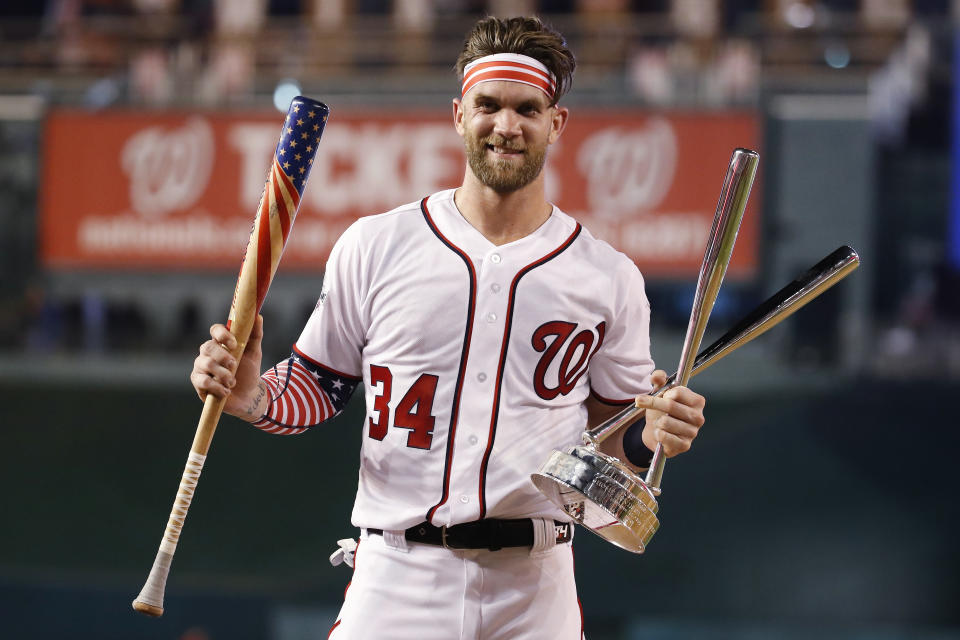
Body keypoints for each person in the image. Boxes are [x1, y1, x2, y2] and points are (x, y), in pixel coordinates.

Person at [191, 16, 706, 639]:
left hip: (535, 582)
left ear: (556, 123)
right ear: (459, 113)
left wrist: (653, 437)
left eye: (527, 108)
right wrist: (253, 396)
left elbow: (611, 452)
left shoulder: (608, 276)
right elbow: (319, 388)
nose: (506, 126)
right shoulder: (376, 244)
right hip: (397, 572)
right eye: (488, 105)